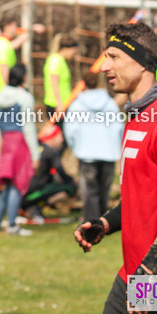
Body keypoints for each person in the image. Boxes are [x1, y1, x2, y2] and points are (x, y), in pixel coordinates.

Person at [74, 22, 157, 314]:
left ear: (143, 61)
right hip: (132, 276)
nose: (104, 66)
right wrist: (105, 223)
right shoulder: (136, 116)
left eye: (114, 57)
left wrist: (149, 272)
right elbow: (142, 195)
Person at [64, 70, 123, 221]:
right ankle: (102, 222)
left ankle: (91, 221)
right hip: (108, 153)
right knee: (104, 191)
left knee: (89, 192)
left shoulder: (77, 105)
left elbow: (71, 130)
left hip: (86, 153)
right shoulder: (110, 103)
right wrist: (116, 146)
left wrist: (75, 147)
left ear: (83, 84)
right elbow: (118, 127)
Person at [0, 64, 39, 236]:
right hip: (20, 143)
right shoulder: (24, 97)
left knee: (6, 184)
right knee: (18, 184)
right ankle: (12, 224)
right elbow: (28, 127)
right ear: (23, 77)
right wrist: (35, 154)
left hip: (5, 142)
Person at [0, 18, 40, 112]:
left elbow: (16, 43)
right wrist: (9, 87)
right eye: (14, 26)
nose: (16, 29)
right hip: (2, 91)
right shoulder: (3, 45)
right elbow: (3, 66)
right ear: (7, 27)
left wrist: (31, 29)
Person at [44, 35, 78, 119]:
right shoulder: (55, 60)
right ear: (66, 49)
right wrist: (59, 104)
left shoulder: (61, 61)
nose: (73, 55)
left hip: (64, 103)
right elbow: (53, 83)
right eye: (73, 52)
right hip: (56, 105)